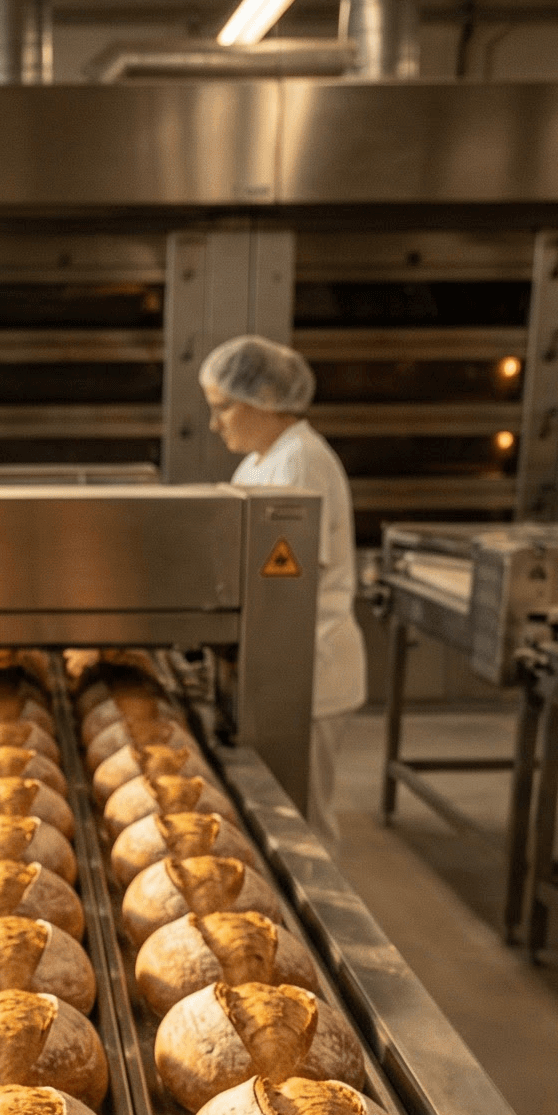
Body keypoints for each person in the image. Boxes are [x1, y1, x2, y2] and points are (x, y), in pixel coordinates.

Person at [199, 333, 367, 850]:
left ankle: (326, 919)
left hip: (309, 667)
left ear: (262, 402)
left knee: (305, 824)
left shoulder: (299, 463)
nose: (214, 423)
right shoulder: (260, 459)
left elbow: (282, 584)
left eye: (222, 408)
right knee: (281, 815)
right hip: (280, 666)